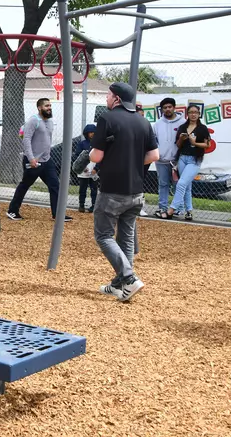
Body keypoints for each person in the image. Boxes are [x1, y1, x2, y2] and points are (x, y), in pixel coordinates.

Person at [90, 82, 159, 302]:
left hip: (112, 189)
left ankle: (129, 277)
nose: (106, 99)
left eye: (109, 96)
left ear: (117, 99)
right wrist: (132, 162)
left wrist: (97, 154)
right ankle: (120, 285)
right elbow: (154, 155)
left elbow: (96, 156)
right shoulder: (143, 121)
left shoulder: (107, 119)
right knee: (126, 237)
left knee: (103, 235)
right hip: (136, 191)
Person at [6, 98, 72, 222]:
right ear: (39, 108)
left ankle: (57, 214)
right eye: (46, 106)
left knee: (55, 185)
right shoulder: (33, 121)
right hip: (33, 161)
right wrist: (31, 158)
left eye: (50, 105)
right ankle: (12, 211)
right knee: (25, 185)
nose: (49, 108)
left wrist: (47, 155)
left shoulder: (50, 122)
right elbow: (26, 140)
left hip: (46, 161)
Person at [168, 104, 210, 221]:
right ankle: (189, 211)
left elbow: (207, 144)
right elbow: (177, 144)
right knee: (186, 186)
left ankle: (172, 209)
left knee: (181, 183)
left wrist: (195, 143)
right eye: (191, 112)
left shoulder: (202, 128)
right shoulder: (183, 127)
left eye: (195, 112)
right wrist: (182, 138)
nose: (193, 114)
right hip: (182, 158)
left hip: (195, 159)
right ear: (187, 114)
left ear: (199, 114)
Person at [153, 97, 185, 219]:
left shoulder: (182, 123)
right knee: (163, 184)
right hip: (161, 160)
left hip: (177, 161)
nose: (167, 109)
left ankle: (178, 208)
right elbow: (153, 141)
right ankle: (163, 207)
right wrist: (158, 153)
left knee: (178, 184)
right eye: (165, 108)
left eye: (169, 107)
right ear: (162, 110)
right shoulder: (157, 124)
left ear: (174, 108)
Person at [75, 124, 98, 214]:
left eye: (93, 132)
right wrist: (83, 167)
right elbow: (77, 156)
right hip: (84, 171)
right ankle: (81, 205)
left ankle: (94, 205)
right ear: (86, 133)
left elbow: (101, 157)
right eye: (90, 132)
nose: (92, 134)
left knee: (94, 189)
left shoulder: (98, 144)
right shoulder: (82, 144)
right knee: (82, 189)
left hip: (93, 170)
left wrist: (96, 169)